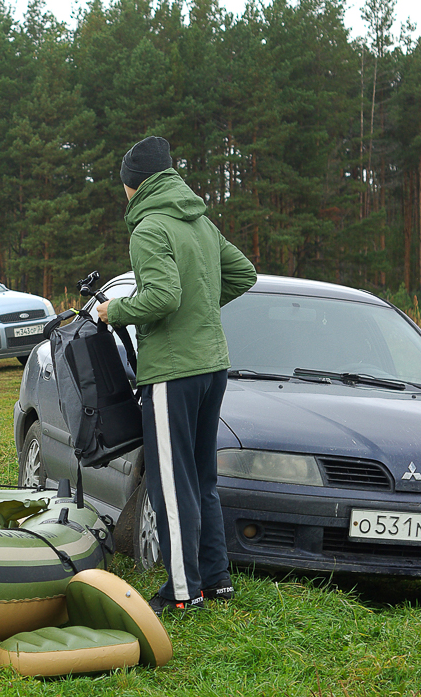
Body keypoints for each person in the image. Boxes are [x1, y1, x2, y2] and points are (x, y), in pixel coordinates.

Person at [97, 136, 257, 616]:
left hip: (172, 372)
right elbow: (243, 273)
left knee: (170, 483)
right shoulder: (201, 222)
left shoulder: (149, 228)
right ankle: (217, 580)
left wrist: (113, 311)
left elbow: (162, 298)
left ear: (134, 184)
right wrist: (203, 311)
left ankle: (183, 592)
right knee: (203, 478)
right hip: (213, 366)